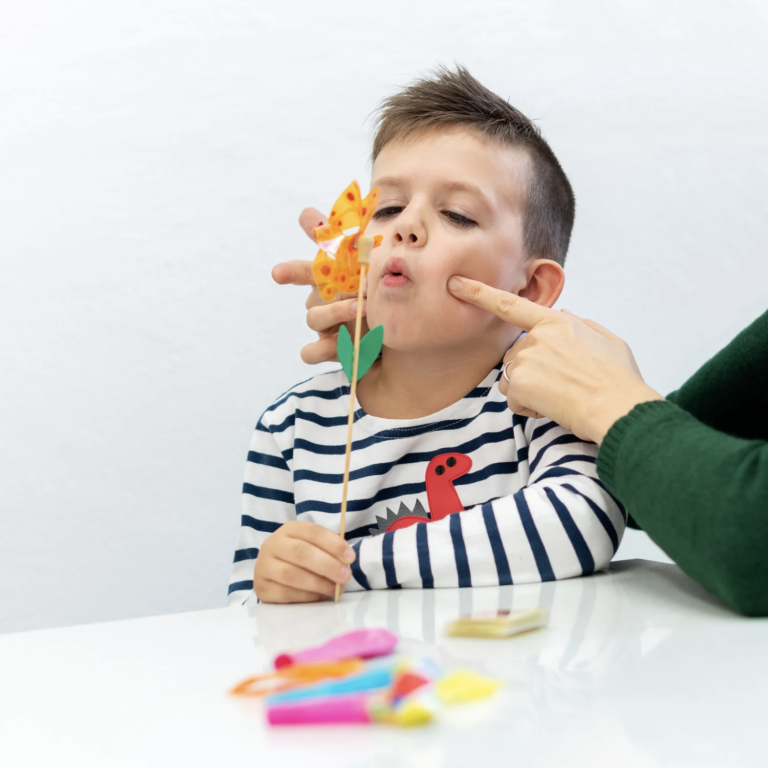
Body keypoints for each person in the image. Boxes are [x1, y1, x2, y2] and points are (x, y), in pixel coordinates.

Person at [228, 66, 625, 605]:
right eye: (386, 208)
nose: (404, 226)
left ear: (531, 288)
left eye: (457, 215)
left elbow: (581, 522)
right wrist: (272, 585)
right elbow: (244, 617)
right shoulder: (291, 428)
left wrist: (344, 571)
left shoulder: (547, 397)